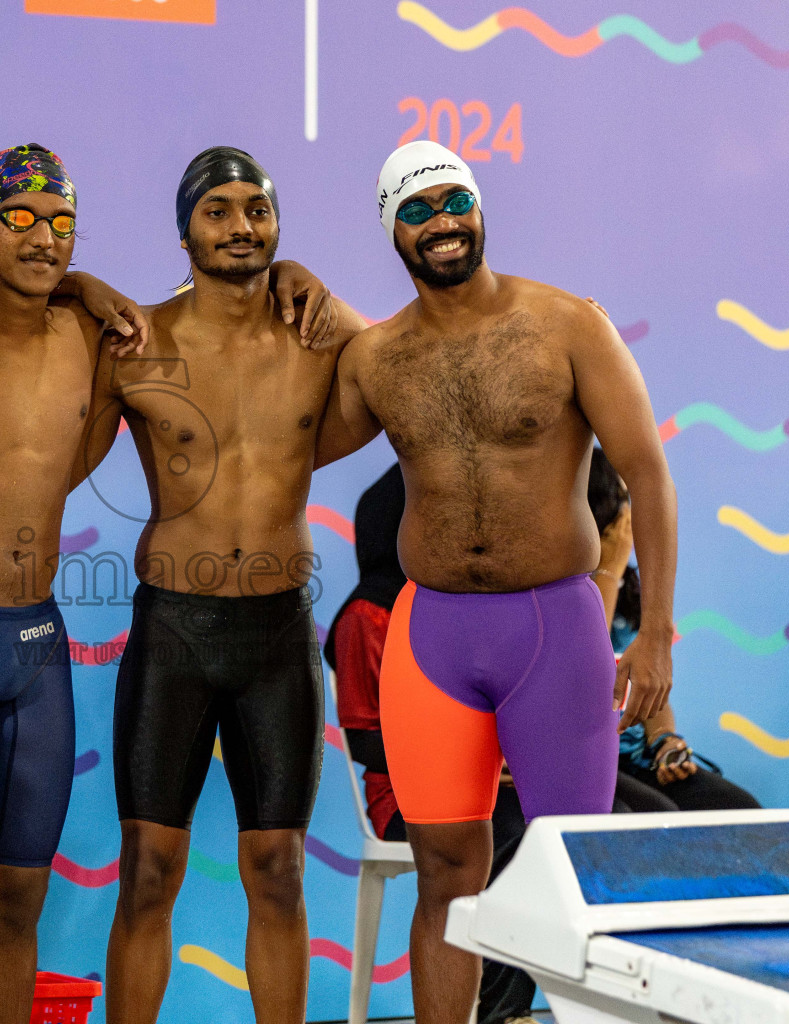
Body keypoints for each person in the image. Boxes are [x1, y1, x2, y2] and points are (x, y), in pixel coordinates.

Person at [0, 144, 337, 1024]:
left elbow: (354, 356)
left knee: (14, 904)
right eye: (24, 218)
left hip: (39, 644)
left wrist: (90, 286)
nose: (44, 239)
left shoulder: (102, 336)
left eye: (62, 224)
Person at [317, 139, 678, 1024]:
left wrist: (658, 632)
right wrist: (292, 294)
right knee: (445, 875)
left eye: (453, 201)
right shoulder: (374, 359)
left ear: (479, 208)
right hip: (432, 635)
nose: (440, 220)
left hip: (553, 632)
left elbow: (650, 476)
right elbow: (283, 445)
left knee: (573, 871)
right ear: (392, 233)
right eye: (416, 210)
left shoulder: (566, 325)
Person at [76, 147, 366, 1024]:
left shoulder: (315, 337)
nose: (241, 226)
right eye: (220, 211)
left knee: (277, 869)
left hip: (277, 633)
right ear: (184, 231)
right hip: (175, 631)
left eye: (257, 210)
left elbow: (405, 355)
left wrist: (321, 288)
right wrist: (83, 283)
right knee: (148, 870)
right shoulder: (137, 342)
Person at [325, 464, 536, 1024]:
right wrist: (465, 760)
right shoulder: (365, 616)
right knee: (508, 837)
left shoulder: (454, 606)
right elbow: (366, 744)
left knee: (548, 828)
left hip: (471, 786)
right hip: (401, 800)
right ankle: (502, 1012)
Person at [586, 448, 758, 814]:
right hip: (582, 753)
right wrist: (608, 569)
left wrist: (665, 740)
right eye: (621, 500)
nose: (630, 515)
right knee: (655, 818)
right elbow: (583, 673)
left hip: (633, 751)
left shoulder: (627, 589)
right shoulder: (566, 587)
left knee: (738, 808)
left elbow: (647, 682)